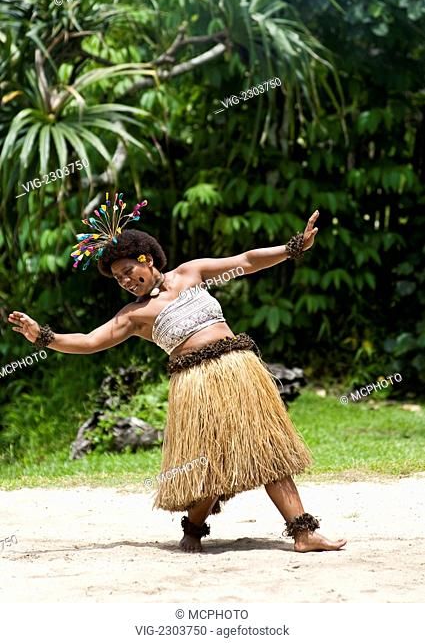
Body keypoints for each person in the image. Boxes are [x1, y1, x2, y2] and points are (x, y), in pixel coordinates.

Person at [8, 194, 346, 554]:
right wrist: (45, 337)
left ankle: (303, 533)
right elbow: (91, 341)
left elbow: (246, 261)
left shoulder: (191, 273)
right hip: (195, 386)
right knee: (209, 463)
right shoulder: (134, 316)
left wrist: (293, 247)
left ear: (147, 259)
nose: (125, 281)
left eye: (128, 272)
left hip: (239, 372)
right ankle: (194, 529)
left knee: (267, 449)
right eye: (118, 279)